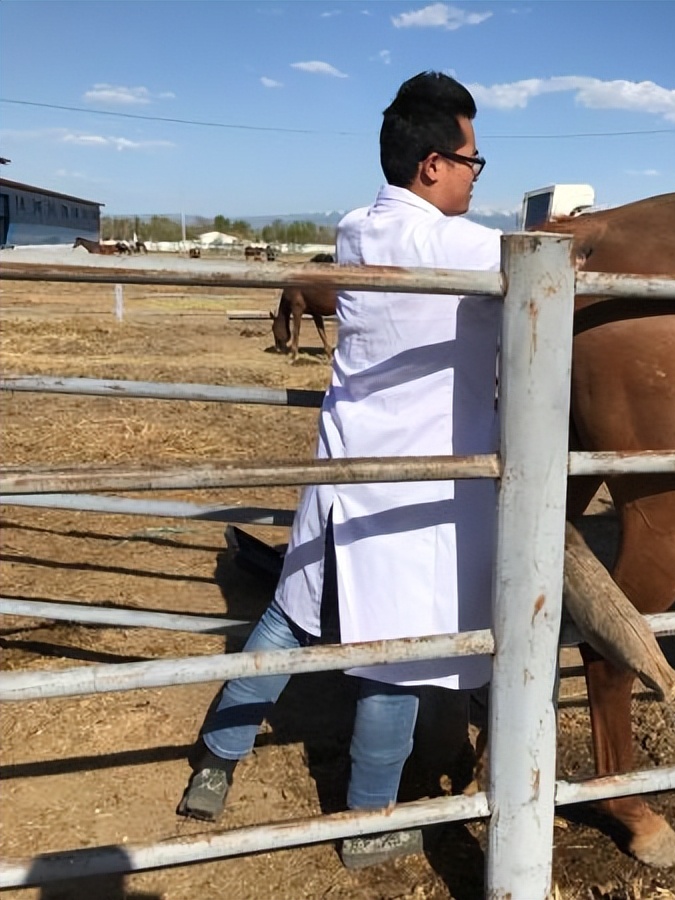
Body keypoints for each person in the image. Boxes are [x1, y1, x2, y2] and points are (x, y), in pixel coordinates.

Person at [178, 71, 503, 871]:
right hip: (417, 483)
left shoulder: (357, 226)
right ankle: (367, 823)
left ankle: (217, 759)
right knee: (393, 654)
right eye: (473, 160)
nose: (473, 174)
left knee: (294, 616)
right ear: (432, 164)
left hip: (348, 463)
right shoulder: (469, 248)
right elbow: (559, 270)